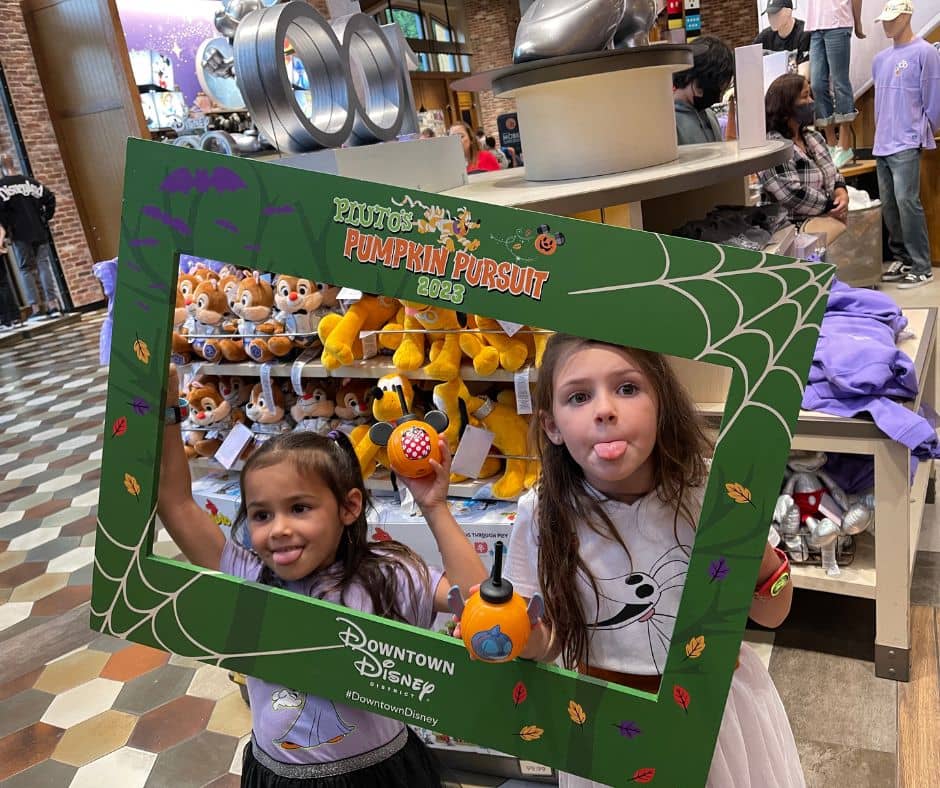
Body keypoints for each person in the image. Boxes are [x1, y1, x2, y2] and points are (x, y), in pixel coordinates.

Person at [158, 366, 488, 787]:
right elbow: (175, 503)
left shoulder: (388, 576)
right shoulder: (247, 572)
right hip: (279, 774)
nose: (278, 529)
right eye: (261, 514)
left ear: (349, 507)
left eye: (299, 508)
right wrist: (167, 406)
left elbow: (479, 602)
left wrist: (435, 506)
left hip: (383, 775)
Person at [500, 334, 804, 788]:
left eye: (627, 388)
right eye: (579, 397)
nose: (604, 409)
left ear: (661, 402)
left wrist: (751, 541)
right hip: (606, 721)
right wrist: (514, 635)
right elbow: (549, 643)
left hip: (714, 711)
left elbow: (774, 612)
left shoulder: (711, 492)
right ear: (551, 426)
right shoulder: (541, 515)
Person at [872, 0, 940, 289]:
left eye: (892, 18)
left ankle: (922, 265)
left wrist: (925, 130)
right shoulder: (880, 59)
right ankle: (902, 257)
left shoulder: (925, 52)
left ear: (907, 16)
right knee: (889, 205)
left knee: (906, 202)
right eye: (885, 19)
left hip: (906, 140)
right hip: (882, 143)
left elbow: (933, 95)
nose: (887, 24)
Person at [757, 73, 849, 247]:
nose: (811, 102)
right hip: (789, 234)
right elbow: (791, 194)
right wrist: (830, 206)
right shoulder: (773, 147)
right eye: (805, 96)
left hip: (823, 226)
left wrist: (840, 191)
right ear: (786, 105)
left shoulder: (814, 137)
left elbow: (833, 171)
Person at [804, 0, 866, 167]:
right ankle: (831, 143)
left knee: (840, 82)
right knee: (816, 84)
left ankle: (844, 145)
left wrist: (857, 22)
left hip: (838, 23)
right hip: (816, 26)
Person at [0, 154, 62, 317]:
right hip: (39, 231)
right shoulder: (30, 182)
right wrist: (45, 218)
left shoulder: (1, 187)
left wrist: (5, 231)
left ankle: (35, 309)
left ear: (1, 168)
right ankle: (53, 305)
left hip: (20, 234)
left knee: (26, 269)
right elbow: (50, 198)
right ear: (13, 164)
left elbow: (0, 214)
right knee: (43, 265)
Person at [672, 36, 735, 145]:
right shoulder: (669, 123)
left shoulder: (710, 116)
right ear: (690, 77)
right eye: (712, 87)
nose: (717, 95)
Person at [754, 0, 811, 67]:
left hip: (794, 77)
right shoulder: (764, 37)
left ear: (789, 11)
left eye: (776, 13)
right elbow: (749, 61)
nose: (772, 18)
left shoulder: (804, 33)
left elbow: (804, 74)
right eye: (769, 14)